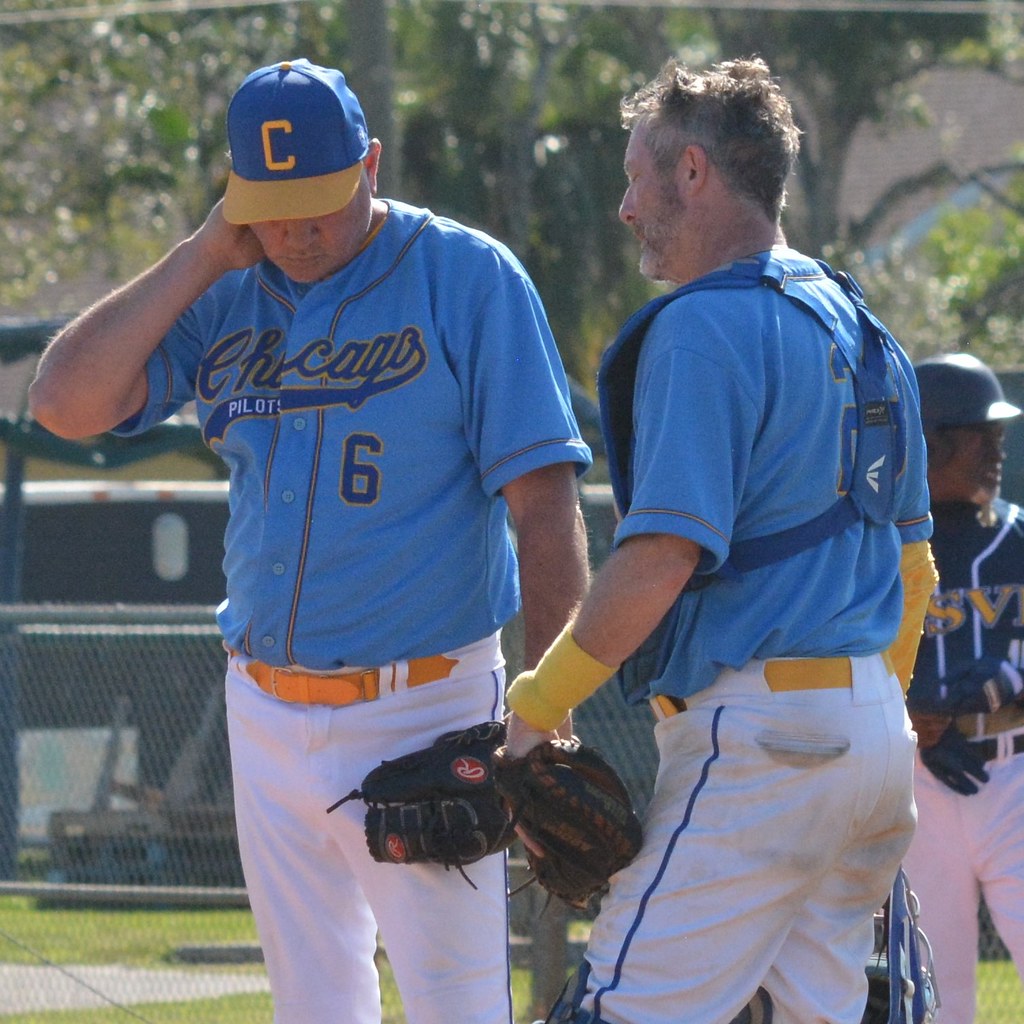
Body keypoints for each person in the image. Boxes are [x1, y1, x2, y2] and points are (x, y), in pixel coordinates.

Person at [28, 58, 592, 1024]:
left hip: (426, 709)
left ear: (370, 165)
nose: (295, 231)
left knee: (459, 1008)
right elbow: (61, 405)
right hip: (263, 709)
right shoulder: (227, 288)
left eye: (318, 203)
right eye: (270, 208)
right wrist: (202, 253)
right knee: (313, 1007)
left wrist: (546, 719)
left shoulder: (468, 277)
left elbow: (545, 513)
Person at [505, 57, 936, 1024]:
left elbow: (662, 556)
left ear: (692, 171)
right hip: (871, 734)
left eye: (637, 175)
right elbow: (915, 571)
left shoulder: (702, 328)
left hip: (763, 742)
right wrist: (870, 736)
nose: (626, 207)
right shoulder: (866, 329)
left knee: (618, 1007)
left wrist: (536, 708)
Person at [903, 352, 1024, 1024]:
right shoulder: (877, 550)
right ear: (932, 442)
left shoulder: (1019, 535)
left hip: (1015, 776)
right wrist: (915, 710)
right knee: (935, 994)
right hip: (915, 786)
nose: (997, 452)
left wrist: (996, 688)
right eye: (983, 436)